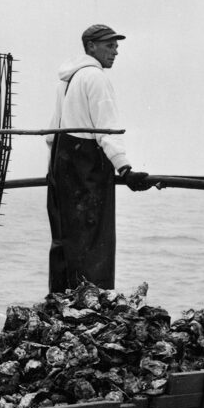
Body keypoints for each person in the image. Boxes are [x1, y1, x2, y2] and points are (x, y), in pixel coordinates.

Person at [46, 24, 152, 294]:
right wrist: (125, 169)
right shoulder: (96, 78)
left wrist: (56, 167)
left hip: (62, 164)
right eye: (109, 45)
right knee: (94, 241)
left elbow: (51, 133)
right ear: (91, 46)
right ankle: (94, 304)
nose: (115, 51)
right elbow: (107, 129)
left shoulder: (67, 80)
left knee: (65, 239)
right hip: (87, 166)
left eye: (116, 46)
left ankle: (59, 301)